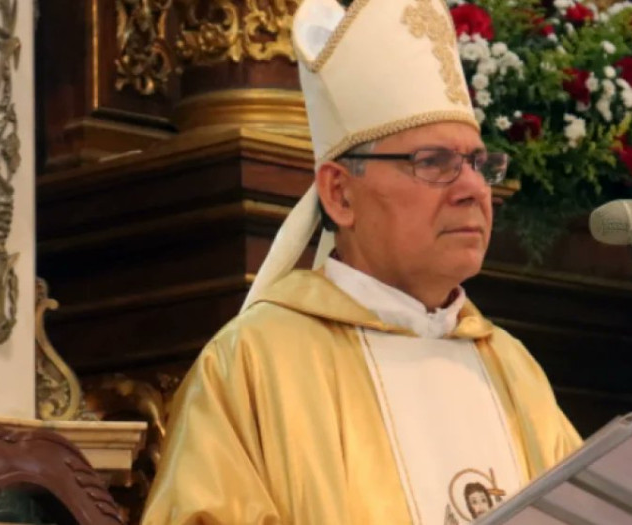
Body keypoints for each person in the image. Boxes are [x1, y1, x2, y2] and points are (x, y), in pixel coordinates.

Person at [139, 0, 582, 521]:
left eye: (479, 164)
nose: (473, 190)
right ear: (340, 194)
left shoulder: (511, 368)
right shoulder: (258, 364)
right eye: (434, 162)